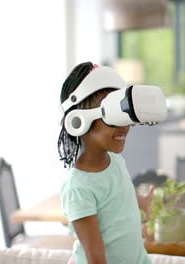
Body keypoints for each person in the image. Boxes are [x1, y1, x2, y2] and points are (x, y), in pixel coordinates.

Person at [57, 62, 153, 264]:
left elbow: (119, 195)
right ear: (78, 120)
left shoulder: (116, 160)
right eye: (113, 117)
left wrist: (140, 203)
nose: (125, 125)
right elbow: (95, 256)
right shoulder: (78, 188)